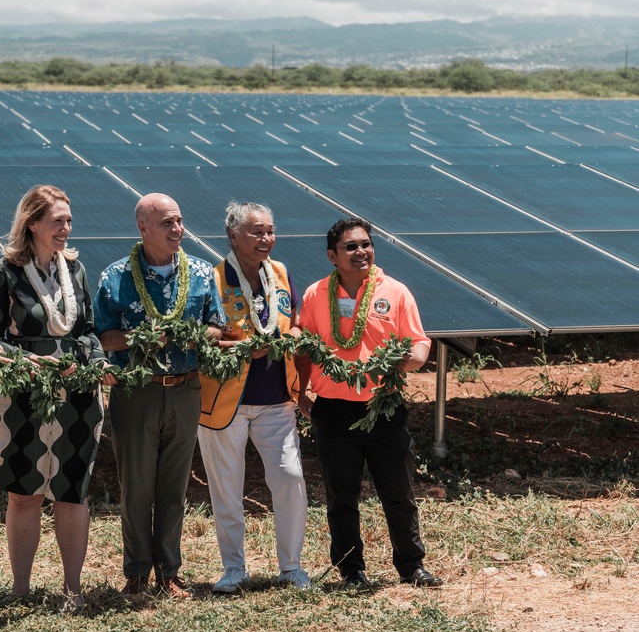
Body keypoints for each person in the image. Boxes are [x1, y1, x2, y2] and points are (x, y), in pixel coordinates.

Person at [0, 184, 113, 611]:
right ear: (33, 223)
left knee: (72, 490)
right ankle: (21, 588)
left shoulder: (74, 270)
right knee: (24, 492)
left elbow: (88, 330)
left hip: (78, 394)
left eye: (69, 221)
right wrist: (34, 365)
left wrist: (97, 364)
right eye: (58, 221)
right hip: (24, 394)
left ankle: (72, 590)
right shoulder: (4, 272)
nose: (66, 229)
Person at [299, 217, 443, 589]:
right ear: (333, 255)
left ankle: (412, 565)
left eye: (366, 244)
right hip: (333, 410)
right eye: (351, 246)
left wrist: (414, 358)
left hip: (384, 407)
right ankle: (351, 570)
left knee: (398, 492)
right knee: (340, 497)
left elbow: (418, 341)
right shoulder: (316, 294)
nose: (361, 251)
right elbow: (305, 342)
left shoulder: (395, 292)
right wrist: (301, 390)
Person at [94, 192, 226, 598]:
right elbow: (103, 336)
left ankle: (170, 571)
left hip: (185, 390)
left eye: (180, 221)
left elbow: (216, 328)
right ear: (143, 228)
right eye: (167, 222)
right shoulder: (114, 277)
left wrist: (187, 334)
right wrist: (144, 337)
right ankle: (136, 571)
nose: (177, 229)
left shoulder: (202, 273)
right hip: (136, 391)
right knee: (136, 484)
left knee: (174, 485)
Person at [197, 201, 311, 593]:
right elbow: (203, 338)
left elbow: (294, 322)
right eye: (257, 232)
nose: (267, 239)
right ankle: (233, 568)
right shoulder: (210, 278)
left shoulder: (280, 272)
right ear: (233, 236)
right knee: (226, 487)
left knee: (291, 477)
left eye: (270, 231)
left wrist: (292, 337)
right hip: (223, 400)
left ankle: (291, 567)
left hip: (277, 397)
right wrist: (244, 348)